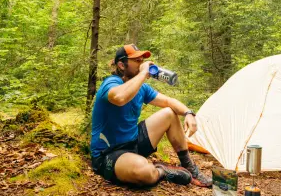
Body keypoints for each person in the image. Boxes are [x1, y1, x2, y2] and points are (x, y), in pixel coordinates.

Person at [90, 44, 212, 188]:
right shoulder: (110, 83)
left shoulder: (141, 88)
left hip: (134, 142)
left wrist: (189, 113)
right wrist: (143, 73)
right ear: (122, 65)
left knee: (169, 113)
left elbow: (168, 101)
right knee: (146, 174)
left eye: (142, 61)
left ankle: (189, 166)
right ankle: (162, 171)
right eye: (136, 61)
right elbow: (119, 97)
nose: (141, 64)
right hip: (109, 153)